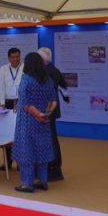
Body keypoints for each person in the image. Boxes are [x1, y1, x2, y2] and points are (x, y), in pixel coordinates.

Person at [12, 52, 56, 193]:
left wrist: (37, 115)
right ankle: (42, 181)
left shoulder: (26, 79)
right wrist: (46, 114)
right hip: (43, 121)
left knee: (26, 151)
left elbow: (25, 103)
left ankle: (27, 183)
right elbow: (53, 100)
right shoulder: (48, 80)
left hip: (28, 121)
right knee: (42, 149)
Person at [38, 47, 70, 182]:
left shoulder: (43, 72)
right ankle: (54, 169)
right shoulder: (55, 70)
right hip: (53, 109)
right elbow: (64, 87)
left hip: (46, 110)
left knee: (49, 139)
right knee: (52, 138)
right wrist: (66, 97)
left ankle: (53, 169)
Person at [0, 47, 23, 168]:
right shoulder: (3, 69)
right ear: (9, 58)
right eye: (13, 57)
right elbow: (1, 87)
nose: (15, 59)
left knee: (19, 133)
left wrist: (22, 102)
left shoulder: (24, 68)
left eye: (17, 56)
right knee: (7, 132)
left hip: (20, 102)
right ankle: (8, 161)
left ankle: (20, 161)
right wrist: (2, 103)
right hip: (7, 103)